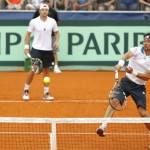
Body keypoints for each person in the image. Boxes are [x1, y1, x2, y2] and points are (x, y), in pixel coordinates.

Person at [96, 33, 150, 137]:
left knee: (143, 113)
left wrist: (133, 72)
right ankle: (102, 126)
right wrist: (119, 65)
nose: (146, 43)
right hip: (126, 82)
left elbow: (147, 77)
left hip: (139, 87)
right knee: (114, 101)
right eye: (144, 41)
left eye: (148, 42)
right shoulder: (136, 50)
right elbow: (125, 56)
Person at [23, 3, 60, 100]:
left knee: (46, 70)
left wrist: (56, 41)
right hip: (36, 49)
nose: (44, 11)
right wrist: (26, 47)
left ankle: (46, 93)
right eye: (42, 10)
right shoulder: (33, 22)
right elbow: (27, 35)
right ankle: (26, 90)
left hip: (48, 50)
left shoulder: (52, 21)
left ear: (48, 11)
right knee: (34, 68)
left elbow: (57, 32)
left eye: (46, 10)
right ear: (39, 11)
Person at [33, 0, 62, 73]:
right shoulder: (38, 11)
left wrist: (50, 28)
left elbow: (57, 22)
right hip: (40, 37)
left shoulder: (53, 11)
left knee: (54, 52)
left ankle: (56, 67)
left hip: (51, 36)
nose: (46, 3)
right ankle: (37, 67)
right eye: (44, 2)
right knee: (38, 53)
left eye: (47, 2)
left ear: (50, 3)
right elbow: (34, 21)